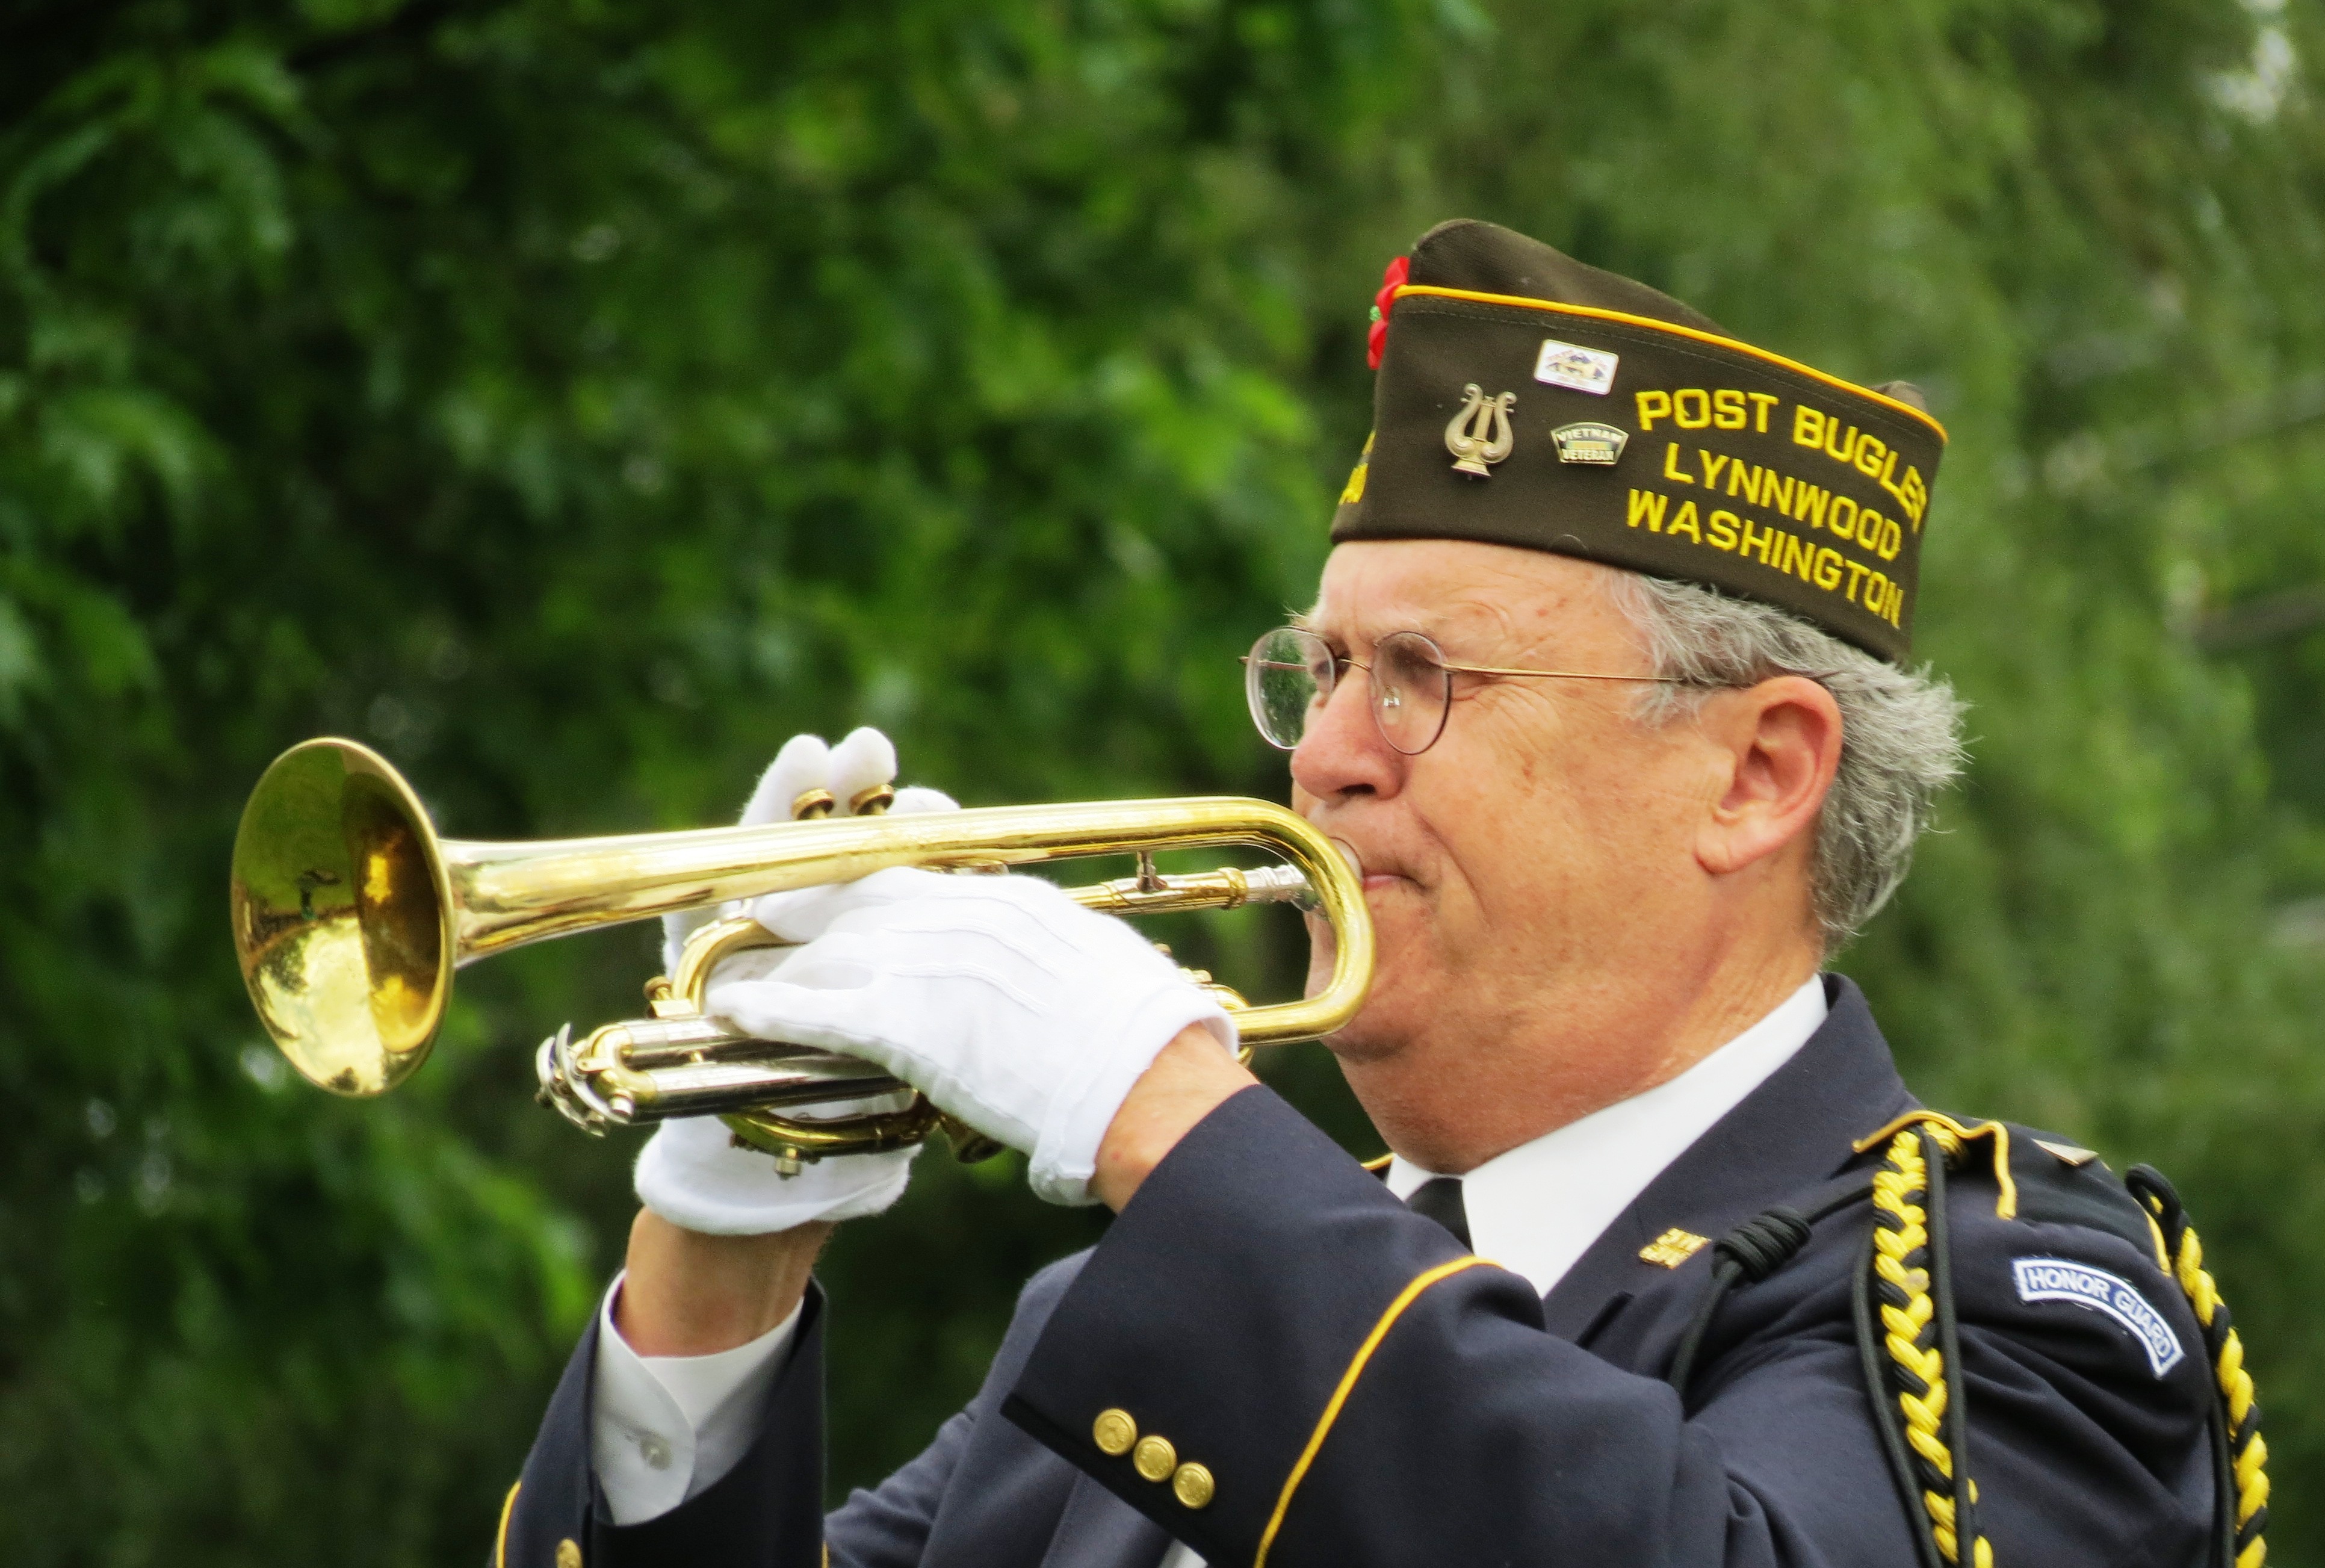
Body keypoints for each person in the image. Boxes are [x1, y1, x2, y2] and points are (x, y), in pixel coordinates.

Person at [494, 220, 2260, 1568]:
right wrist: (719, 1265)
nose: (1327, 756)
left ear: (1755, 776)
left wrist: (1164, 1119)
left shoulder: (2012, 1304)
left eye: (1424, 676)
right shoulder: (1133, 1317)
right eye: (1323, 670)